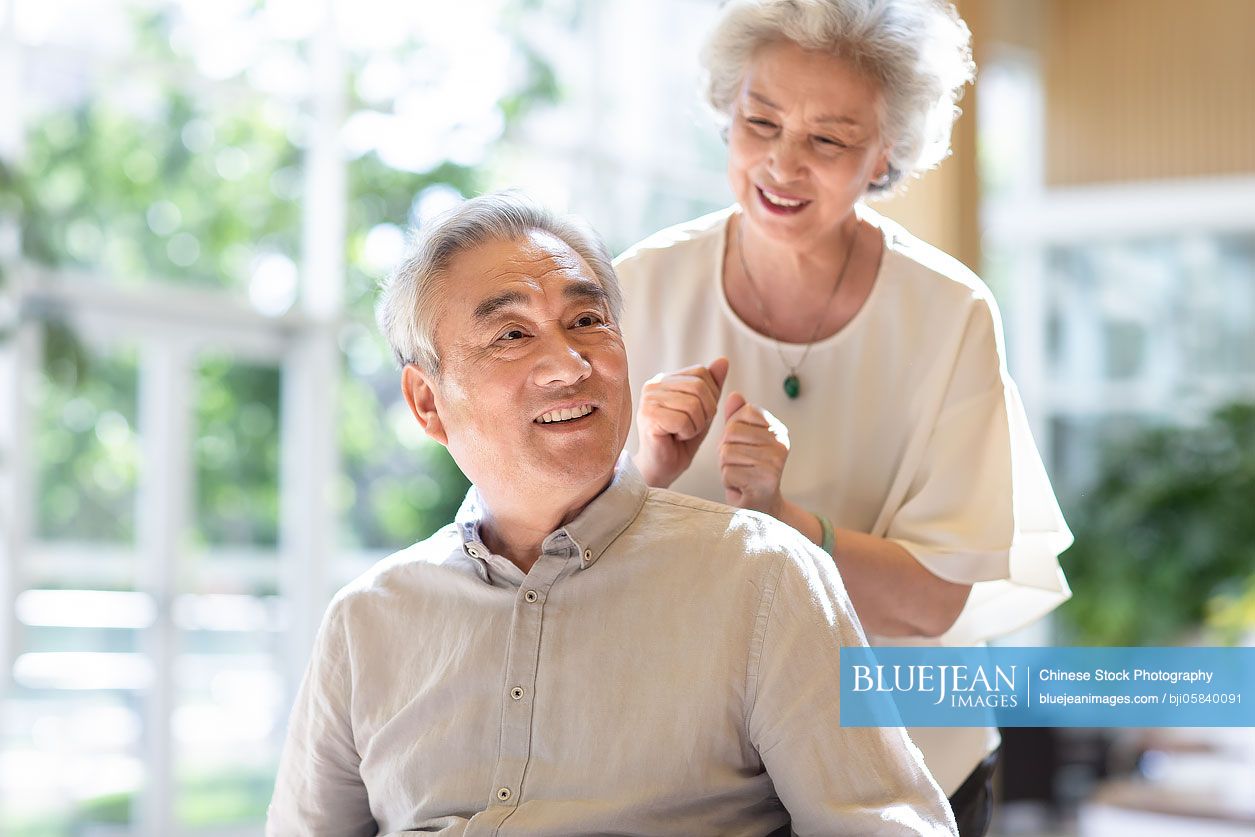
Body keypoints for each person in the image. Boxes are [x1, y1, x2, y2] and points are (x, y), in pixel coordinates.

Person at [266, 191, 958, 836]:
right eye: (510, 334)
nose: (568, 365)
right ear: (425, 401)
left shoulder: (764, 577)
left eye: (587, 321)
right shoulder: (366, 619)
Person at [615, 2, 1072, 834]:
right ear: (726, 115)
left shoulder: (948, 312)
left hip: (904, 766)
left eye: (827, 140)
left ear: (885, 153)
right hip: (695, 772)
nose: (782, 164)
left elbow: (934, 600)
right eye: (760, 122)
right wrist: (646, 471)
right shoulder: (639, 287)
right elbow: (578, 558)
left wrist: (785, 522)